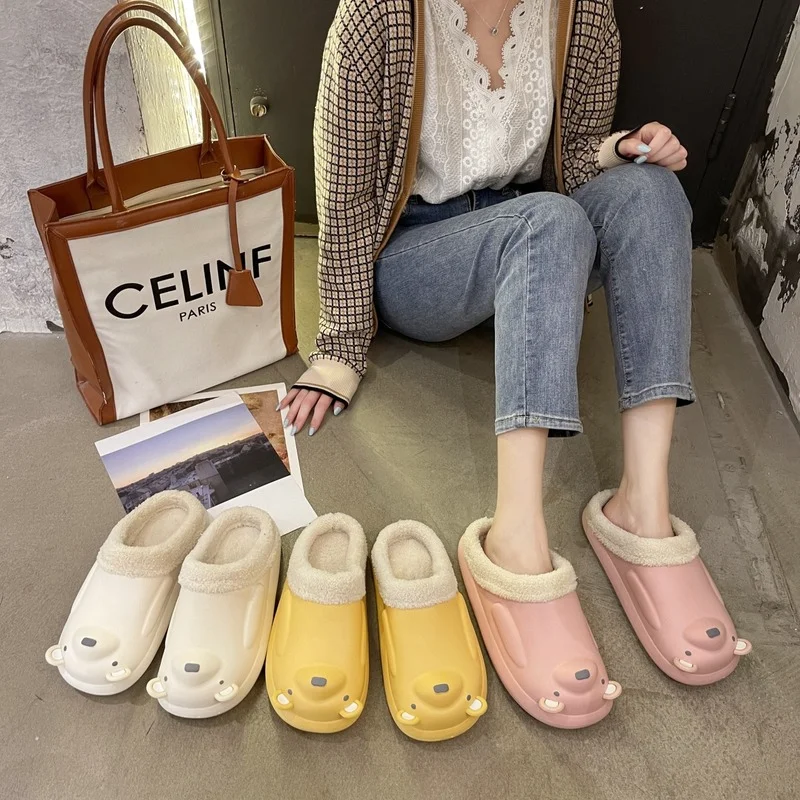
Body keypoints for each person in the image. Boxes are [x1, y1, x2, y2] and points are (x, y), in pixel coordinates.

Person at [278, 0, 749, 722]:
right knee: (547, 220)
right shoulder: (378, 16)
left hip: (537, 226)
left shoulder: (581, 12)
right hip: (419, 252)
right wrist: (339, 347)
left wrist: (621, 148)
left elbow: (575, 152)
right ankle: (516, 539)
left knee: (652, 192)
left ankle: (642, 509)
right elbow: (344, 197)